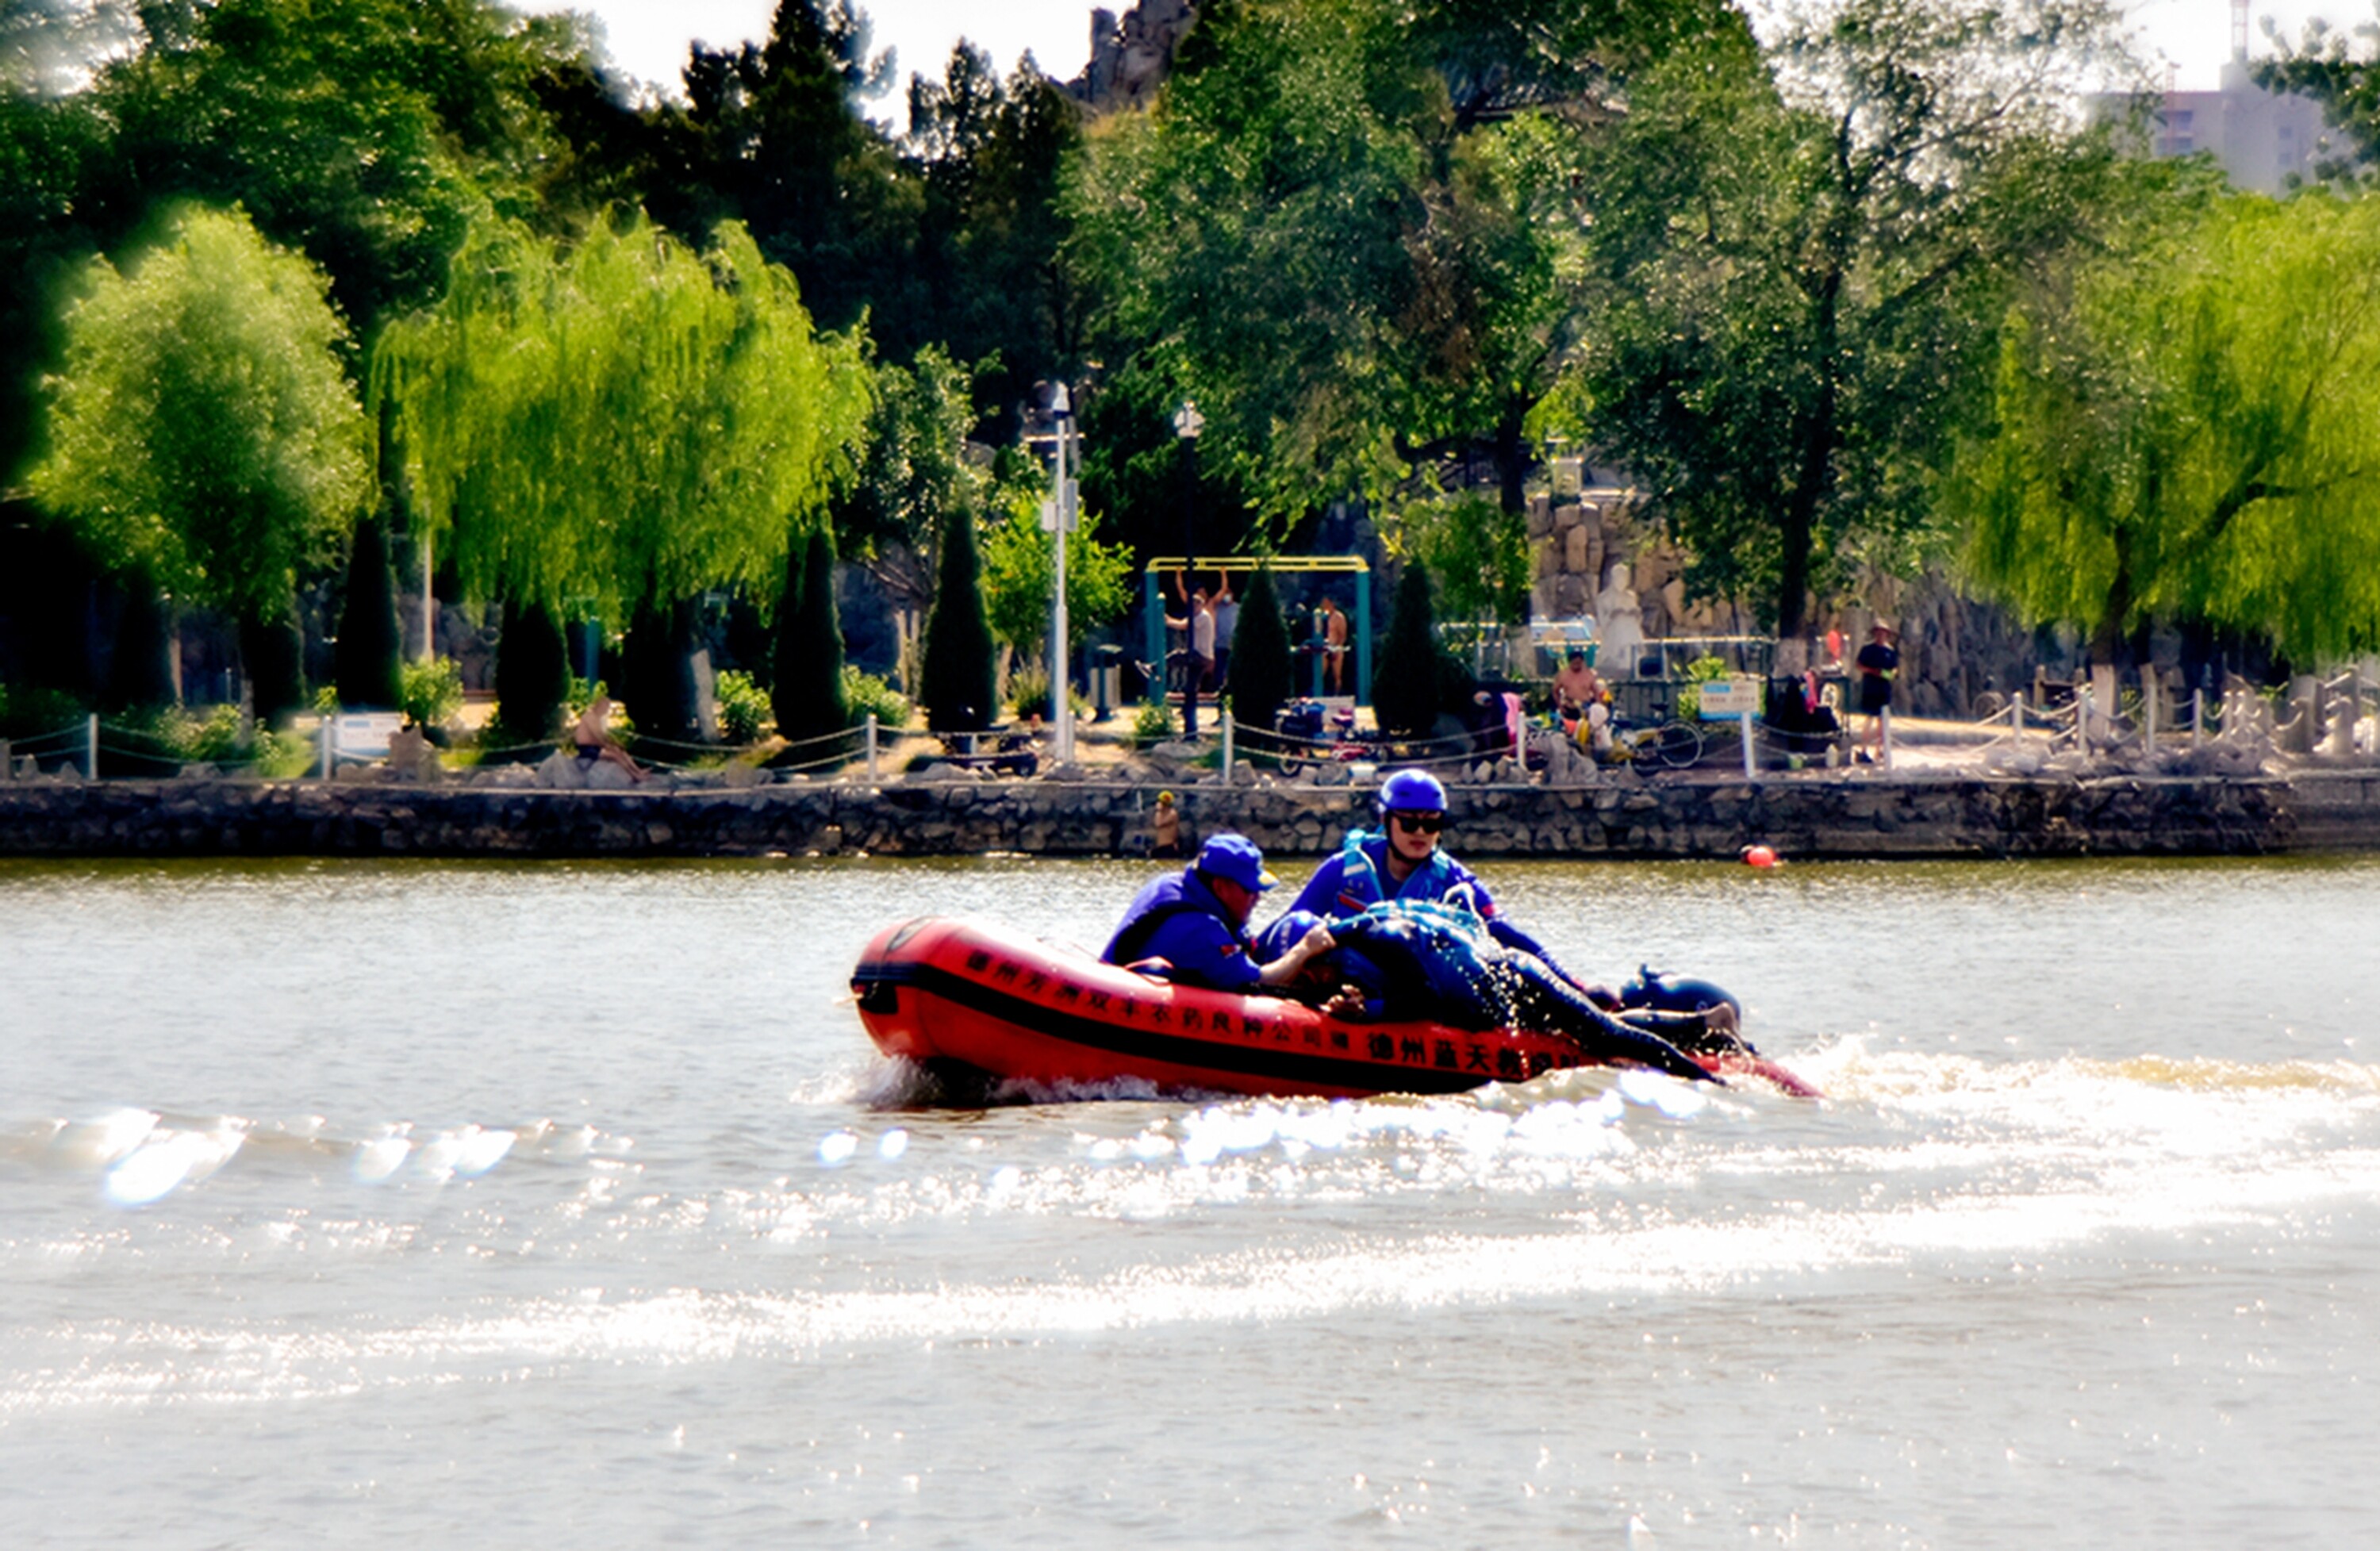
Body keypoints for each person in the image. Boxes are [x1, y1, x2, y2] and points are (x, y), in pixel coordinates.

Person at [1292, 899, 1718, 1083]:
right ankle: (1703, 1025)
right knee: (1596, 1030)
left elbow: (1428, 997)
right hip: (1493, 1000)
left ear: (1326, 955)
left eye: (1312, 974)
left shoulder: (1386, 939)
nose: (1314, 984)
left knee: (1604, 1035)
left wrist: (1371, 1011)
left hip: (1516, 977)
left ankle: (1710, 1080)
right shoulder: (1355, 966)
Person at [1103, 833, 1334, 992]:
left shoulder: (1169, 884)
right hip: (1129, 1006)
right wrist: (1305, 950)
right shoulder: (1201, 932)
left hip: (1120, 982)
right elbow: (1261, 981)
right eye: (1249, 890)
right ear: (1221, 887)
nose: (1257, 898)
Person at [1167, 571, 1216, 740]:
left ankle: (1155, 667)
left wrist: (1166, 620)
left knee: (1177, 656)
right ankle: (1190, 729)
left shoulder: (1202, 617)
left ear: (1199, 605)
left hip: (1201, 655)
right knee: (1191, 691)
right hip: (1202, 655)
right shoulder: (1202, 616)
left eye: (1193, 606)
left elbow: (1182, 626)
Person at [571, 695, 647, 783]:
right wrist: (609, 745)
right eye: (605, 707)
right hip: (586, 749)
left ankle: (638, 771)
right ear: (599, 706)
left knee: (621, 752)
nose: (606, 710)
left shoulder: (597, 718)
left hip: (595, 748)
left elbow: (605, 735)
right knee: (615, 756)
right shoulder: (590, 717)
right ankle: (634, 776)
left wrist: (615, 743)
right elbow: (599, 735)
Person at [1855, 620, 1899, 762]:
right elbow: (1859, 665)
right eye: (1878, 632)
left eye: (1883, 632)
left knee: (1883, 721)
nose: (1881, 635)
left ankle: (1879, 750)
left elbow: (1894, 669)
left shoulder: (1890, 651)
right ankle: (1863, 750)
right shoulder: (1868, 649)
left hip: (1884, 689)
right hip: (1870, 688)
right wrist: (1873, 671)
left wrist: (1888, 674)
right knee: (1869, 719)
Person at [1550, 648, 1604, 718]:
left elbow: (1596, 692)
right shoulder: (1563, 675)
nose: (1576, 665)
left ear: (1582, 662)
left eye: (1578, 663)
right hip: (1569, 708)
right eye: (1574, 663)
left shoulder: (1589, 674)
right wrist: (1560, 706)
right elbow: (1555, 691)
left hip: (1586, 708)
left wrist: (1599, 707)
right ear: (1570, 662)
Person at [1210, 572, 1238, 692]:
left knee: (1231, 668)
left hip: (1233, 643)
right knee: (1219, 667)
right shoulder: (1218, 608)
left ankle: (1230, 688)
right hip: (1219, 643)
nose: (1226, 596)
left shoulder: (1238, 608)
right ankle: (1218, 688)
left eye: (1228, 594)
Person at [1319, 596, 1349, 696]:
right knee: (1320, 672)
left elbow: (1342, 635)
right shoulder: (1322, 616)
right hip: (1324, 647)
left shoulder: (1339, 617)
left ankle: (1337, 693)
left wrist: (1337, 648)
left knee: (1337, 674)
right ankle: (1319, 693)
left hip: (1336, 647)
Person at [1151, 789, 1181, 857]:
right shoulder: (1160, 814)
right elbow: (1157, 823)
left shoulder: (1172, 814)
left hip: (1168, 846)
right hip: (1160, 846)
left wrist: (1159, 811)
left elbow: (1158, 824)